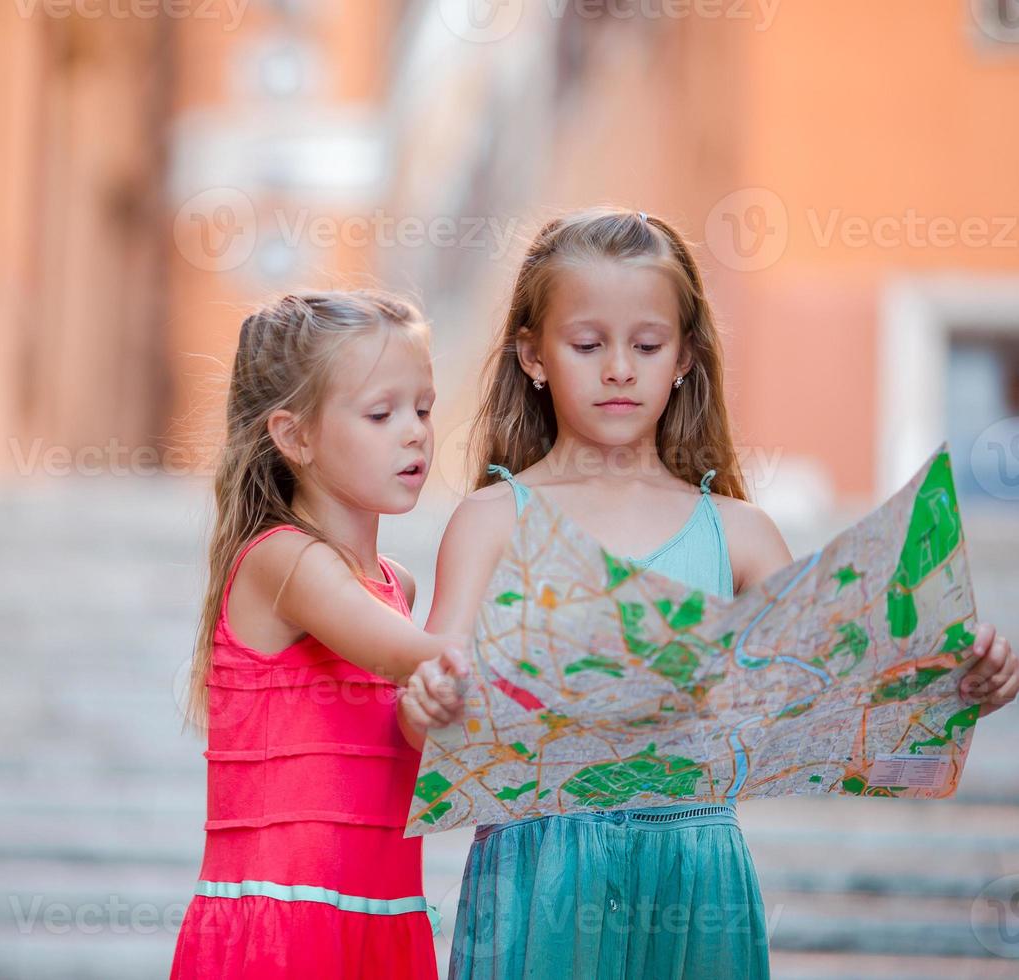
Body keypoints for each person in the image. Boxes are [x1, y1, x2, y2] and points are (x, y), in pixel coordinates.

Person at [397, 207, 1018, 979]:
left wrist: (957, 687)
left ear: (686, 357)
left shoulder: (743, 535)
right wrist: (428, 701)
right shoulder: (491, 521)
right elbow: (429, 703)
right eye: (588, 345)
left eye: (647, 345)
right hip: (542, 877)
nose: (619, 367)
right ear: (533, 356)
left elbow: (838, 708)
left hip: (697, 875)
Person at [169, 290, 454, 980]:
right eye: (381, 413)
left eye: (423, 408)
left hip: (382, 917)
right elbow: (411, 656)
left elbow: (416, 736)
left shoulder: (397, 588)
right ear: (294, 436)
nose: (414, 431)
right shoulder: (283, 560)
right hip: (282, 931)